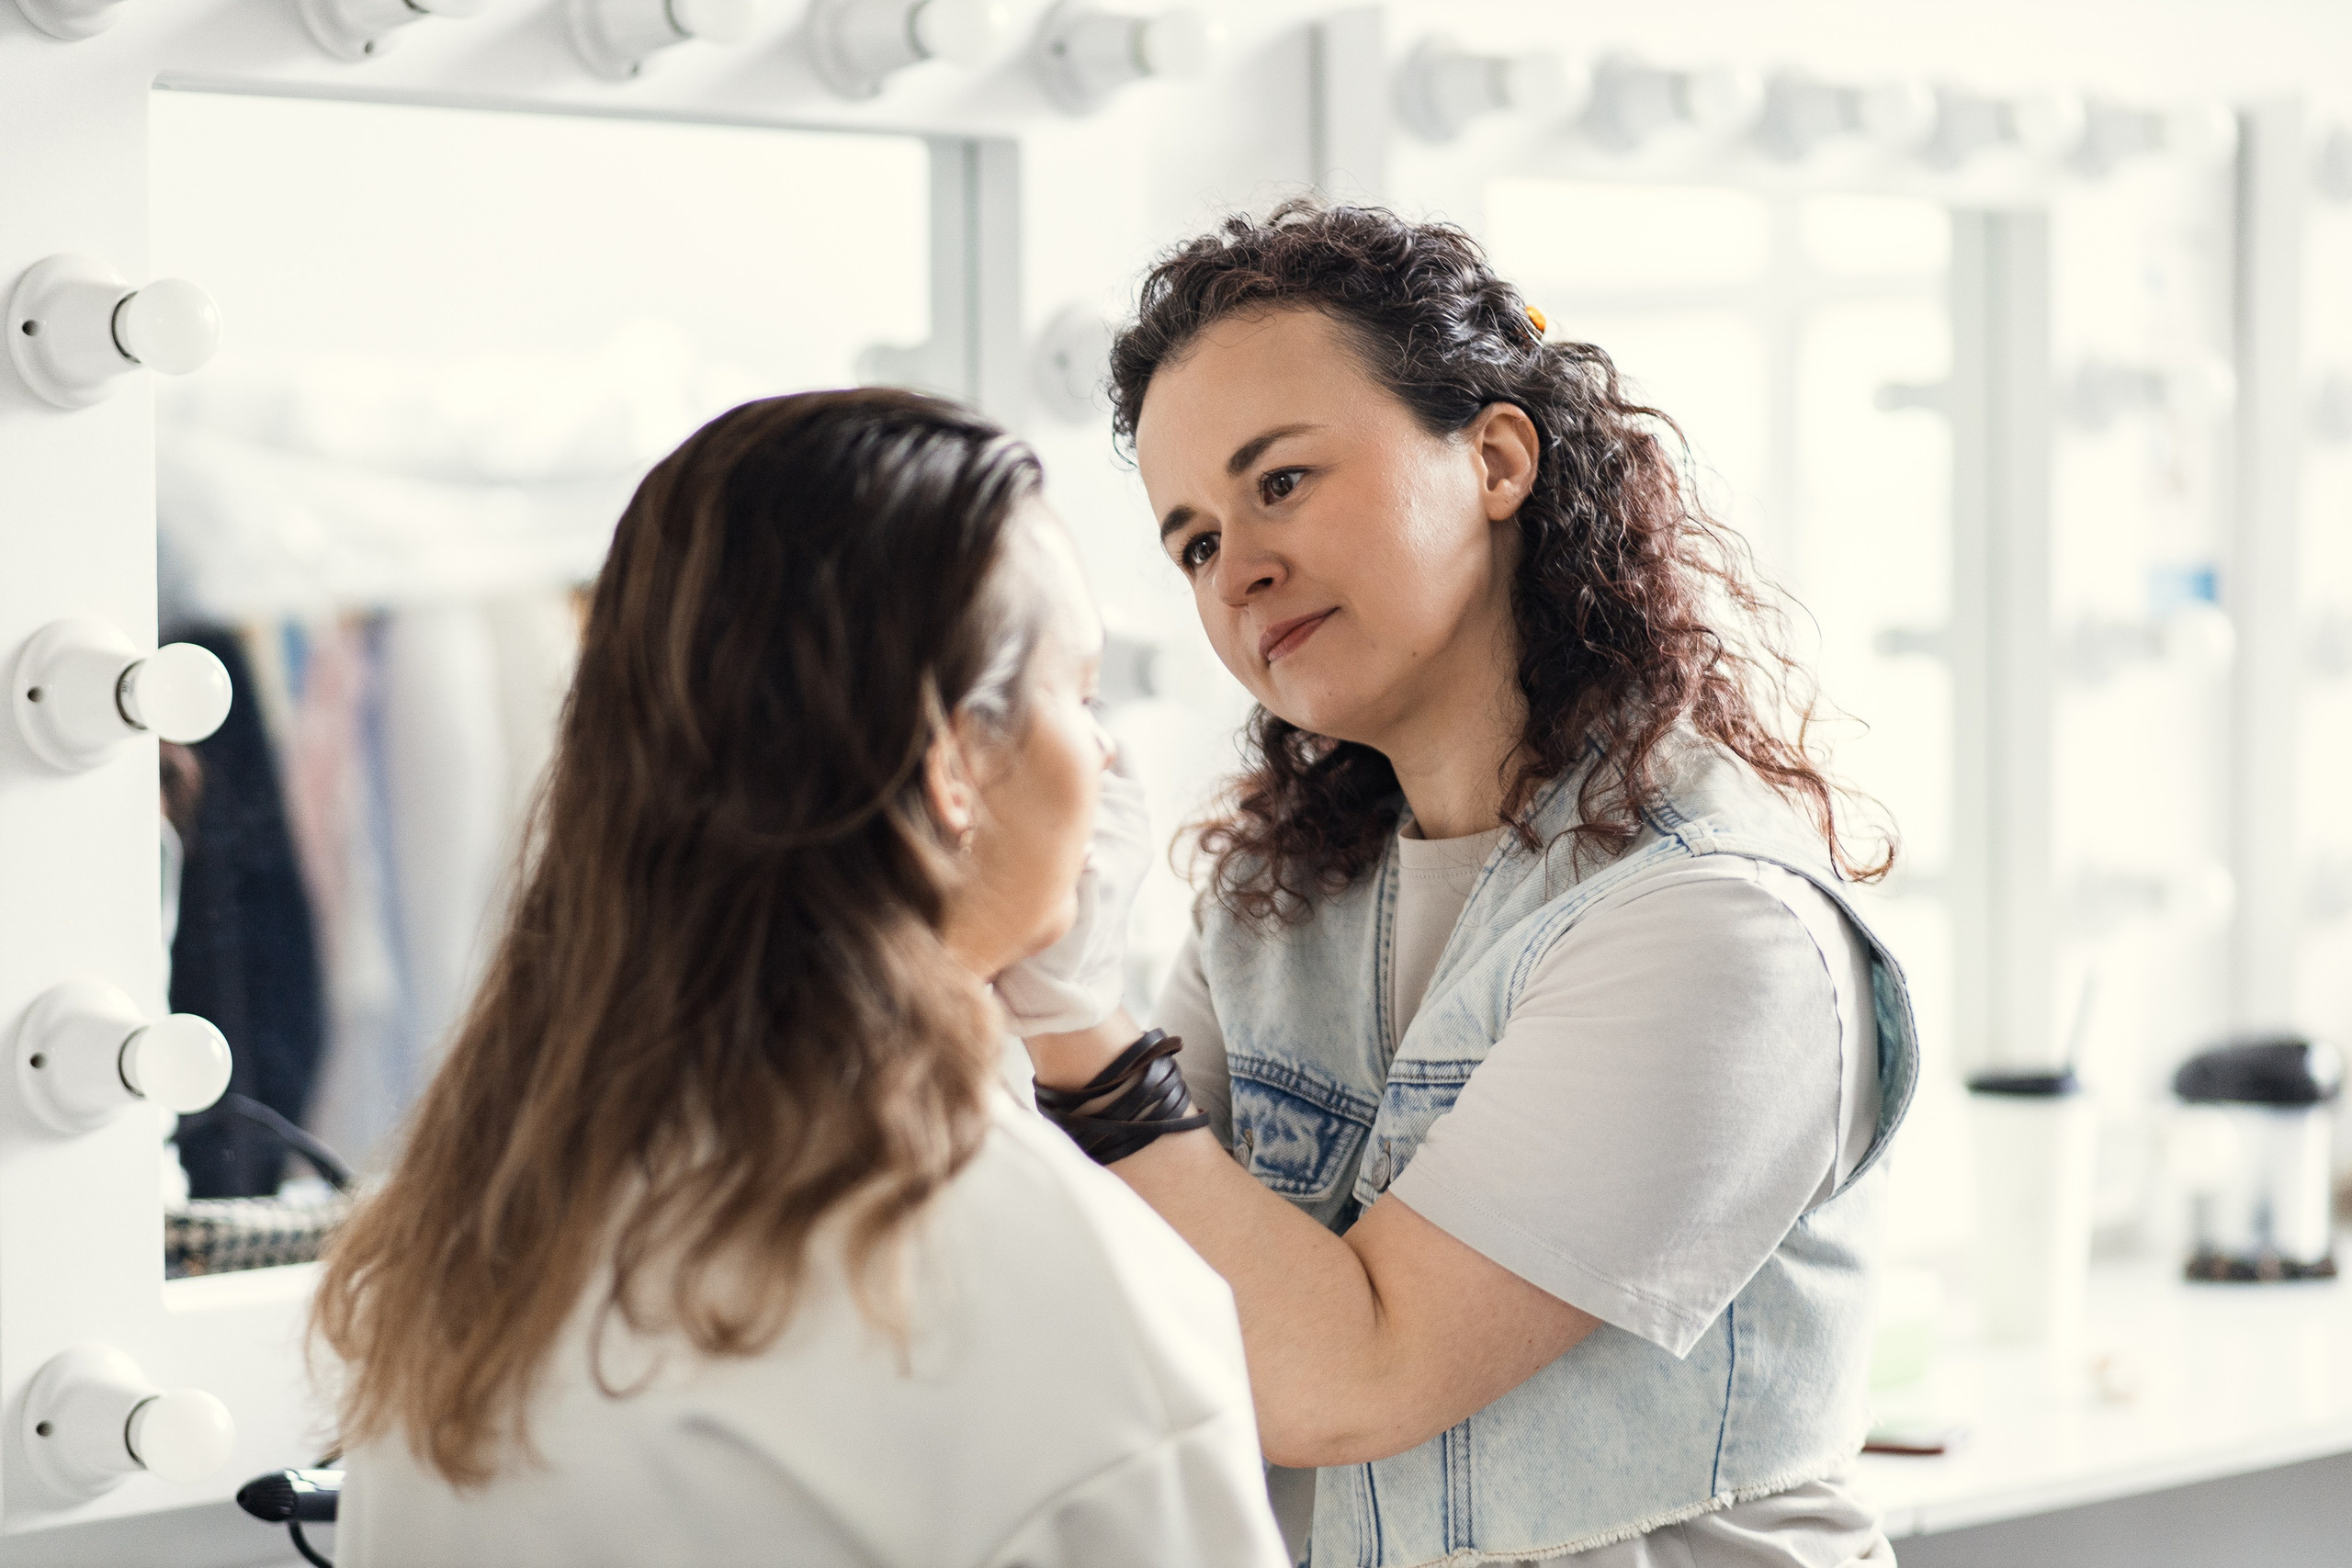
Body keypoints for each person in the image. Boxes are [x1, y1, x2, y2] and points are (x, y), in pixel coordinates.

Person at [1009, 202, 1920, 1567]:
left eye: (1283, 480)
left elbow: (1357, 1373)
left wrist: (1073, 1019)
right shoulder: (1273, 905)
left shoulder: (1713, 919)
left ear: (1496, 458)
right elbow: (1105, 1296)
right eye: (1193, 541)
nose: (1240, 567)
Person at [313, 389, 1290, 1568]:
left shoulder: (474, 1227)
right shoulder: (1062, 1296)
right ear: (952, 764)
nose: (1108, 756)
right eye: (1077, 698)